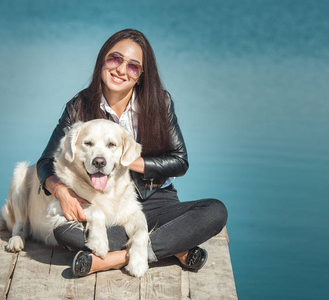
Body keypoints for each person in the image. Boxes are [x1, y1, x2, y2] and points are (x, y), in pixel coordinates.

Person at [36, 28, 228, 277]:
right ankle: (172, 247)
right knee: (65, 231)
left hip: (158, 201)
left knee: (215, 211)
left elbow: (180, 162)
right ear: (102, 61)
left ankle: (116, 258)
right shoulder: (78, 106)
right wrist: (61, 192)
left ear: (140, 76)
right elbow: (45, 162)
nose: (121, 70)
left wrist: (129, 160)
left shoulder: (161, 103)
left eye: (133, 66)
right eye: (115, 59)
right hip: (104, 205)